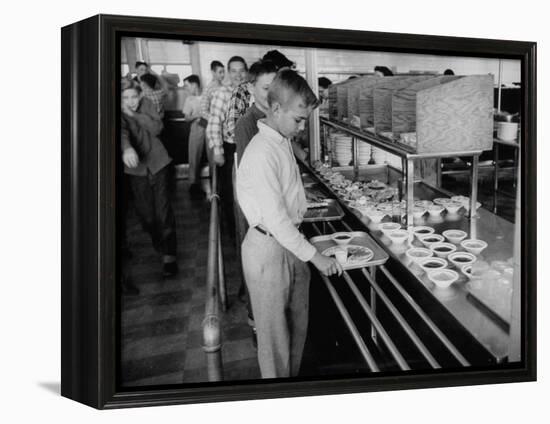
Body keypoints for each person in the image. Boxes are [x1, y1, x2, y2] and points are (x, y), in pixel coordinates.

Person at [237, 70, 343, 378]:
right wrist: (317, 257)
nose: (301, 127)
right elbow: (276, 221)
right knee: (274, 340)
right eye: (298, 120)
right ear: (276, 109)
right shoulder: (260, 152)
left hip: (288, 242)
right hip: (267, 247)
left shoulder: (281, 139)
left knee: (297, 325)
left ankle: (291, 382)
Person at [120, 80, 178, 278]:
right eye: (125, 98)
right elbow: (122, 133)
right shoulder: (117, 112)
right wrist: (126, 148)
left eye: (134, 97)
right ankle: (160, 242)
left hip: (158, 162)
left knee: (163, 212)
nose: (130, 102)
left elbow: (156, 128)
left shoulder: (147, 105)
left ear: (140, 96)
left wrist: (134, 115)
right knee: (147, 217)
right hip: (136, 170)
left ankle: (169, 255)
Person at [206, 56, 248, 230]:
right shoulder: (221, 93)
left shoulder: (249, 91)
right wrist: (217, 150)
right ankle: (233, 231)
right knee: (230, 192)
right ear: (228, 73)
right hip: (230, 148)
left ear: (246, 71)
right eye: (234, 71)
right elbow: (214, 122)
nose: (238, 74)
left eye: (241, 70)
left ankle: (246, 227)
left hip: (248, 147)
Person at [182, 74, 206, 197]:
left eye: (187, 86)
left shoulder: (208, 95)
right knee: (194, 157)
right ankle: (193, 185)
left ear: (194, 84)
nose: (186, 89)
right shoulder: (189, 100)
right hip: (196, 129)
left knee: (214, 157)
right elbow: (186, 118)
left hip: (210, 128)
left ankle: (217, 185)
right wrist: (196, 116)